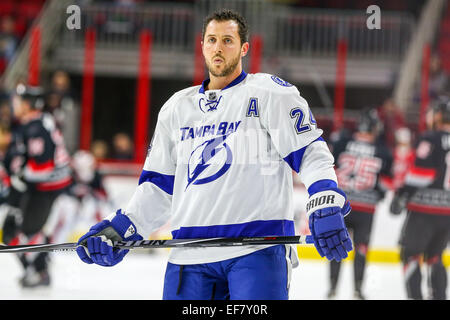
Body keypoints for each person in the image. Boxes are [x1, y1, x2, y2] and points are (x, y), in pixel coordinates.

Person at [76, 9, 353, 300]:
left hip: (256, 252)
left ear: (244, 48)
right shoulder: (176, 108)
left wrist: (323, 200)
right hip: (189, 257)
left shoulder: (270, 93)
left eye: (227, 40)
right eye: (211, 40)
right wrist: (121, 227)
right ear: (202, 45)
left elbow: (310, 151)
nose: (218, 47)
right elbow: (159, 187)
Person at [1, 84, 72, 288]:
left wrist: (18, 178)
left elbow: (43, 166)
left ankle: (40, 271)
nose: (14, 105)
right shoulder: (33, 123)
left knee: (26, 231)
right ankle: (37, 267)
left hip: (45, 187)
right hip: (39, 186)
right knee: (12, 231)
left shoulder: (35, 127)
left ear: (28, 104)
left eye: (17, 101)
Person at [328, 109, 393, 299]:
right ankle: (357, 289)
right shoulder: (382, 150)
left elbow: (328, 168)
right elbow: (386, 182)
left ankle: (332, 288)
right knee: (362, 250)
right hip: (366, 210)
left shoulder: (342, 142)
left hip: (341, 206)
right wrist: (379, 193)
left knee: (336, 247)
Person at [390, 98, 450, 300]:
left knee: (411, 255)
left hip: (424, 211)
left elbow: (421, 174)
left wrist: (402, 194)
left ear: (439, 116)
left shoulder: (430, 138)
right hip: (447, 213)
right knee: (435, 257)